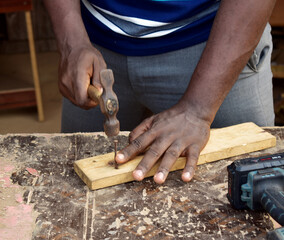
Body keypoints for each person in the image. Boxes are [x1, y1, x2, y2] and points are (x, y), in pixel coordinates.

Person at [44, 0, 276, 184]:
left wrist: (198, 110)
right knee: (75, 187)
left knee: (250, 184)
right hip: (95, 43)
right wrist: (71, 42)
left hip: (218, 42)